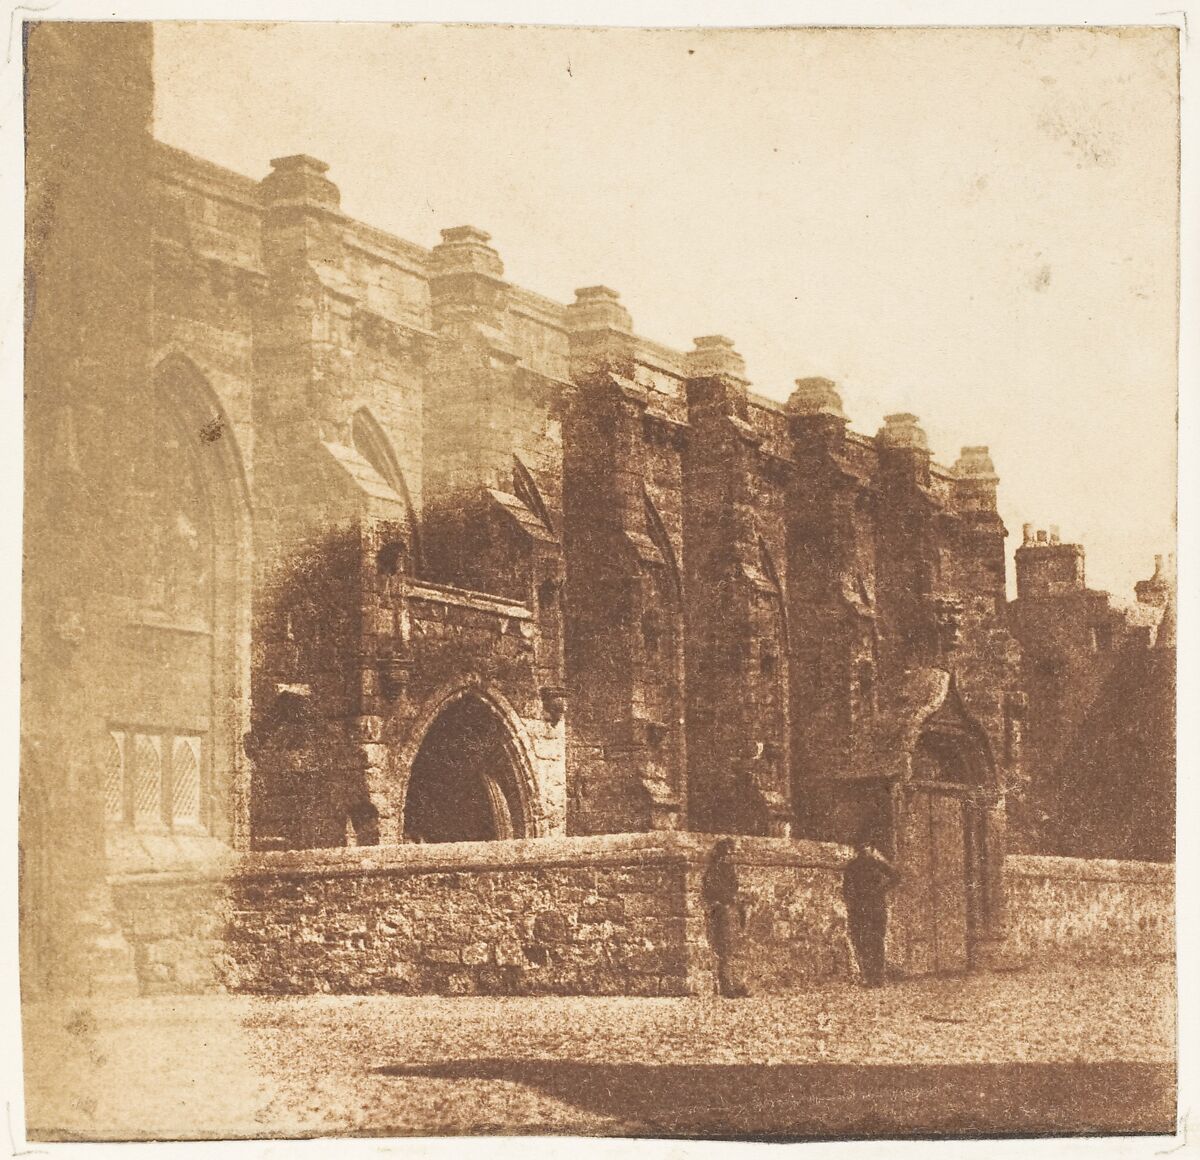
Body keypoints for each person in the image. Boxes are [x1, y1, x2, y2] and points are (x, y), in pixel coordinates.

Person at [842, 835, 900, 987]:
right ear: (857, 850)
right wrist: (852, 902)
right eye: (861, 847)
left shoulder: (878, 864)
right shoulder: (852, 866)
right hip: (861, 907)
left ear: (871, 848)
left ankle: (879, 977)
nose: (864, 850)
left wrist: (881, 890)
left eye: (866, 846)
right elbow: (847, 888)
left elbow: (896, 876)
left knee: (877, 941)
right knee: (863, 942)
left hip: (877, 907)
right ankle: (867, 976)